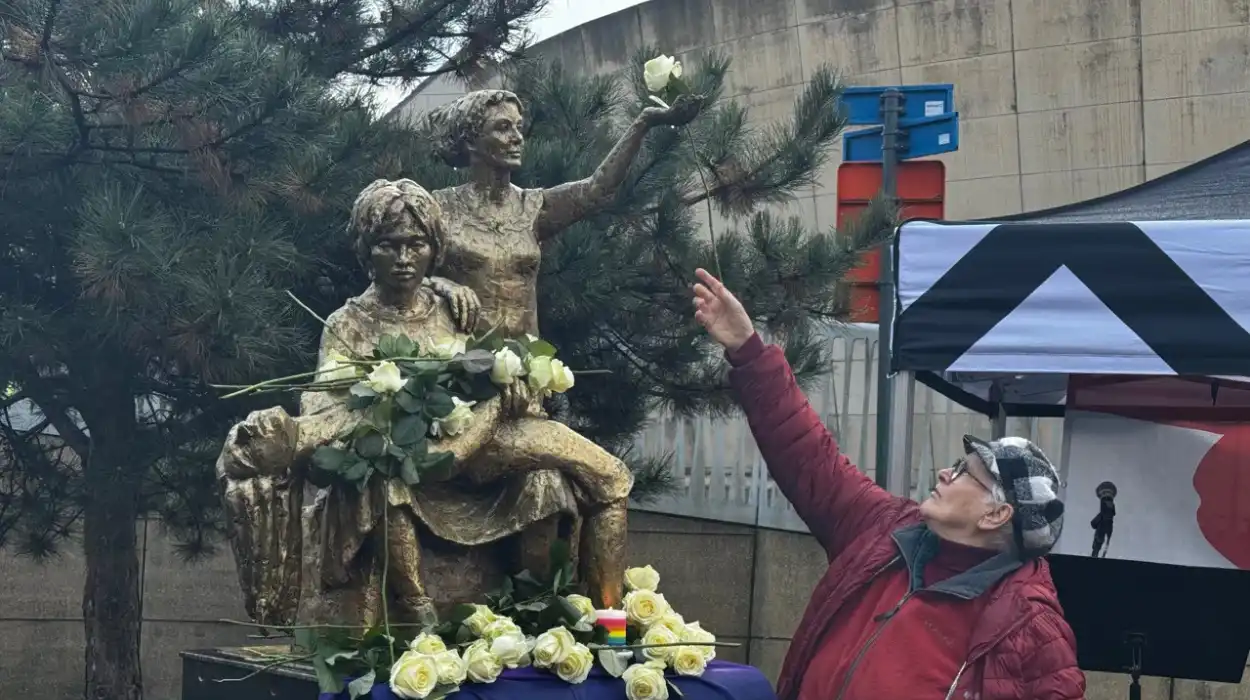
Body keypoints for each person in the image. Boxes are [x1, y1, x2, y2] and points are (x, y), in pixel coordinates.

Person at [691, 268, 1085, 700]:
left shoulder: (1030, 625)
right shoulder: (885, 530)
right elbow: (808, 456)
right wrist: (750, 353)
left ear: (996, 514)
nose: (944, 473)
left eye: (963, 472)